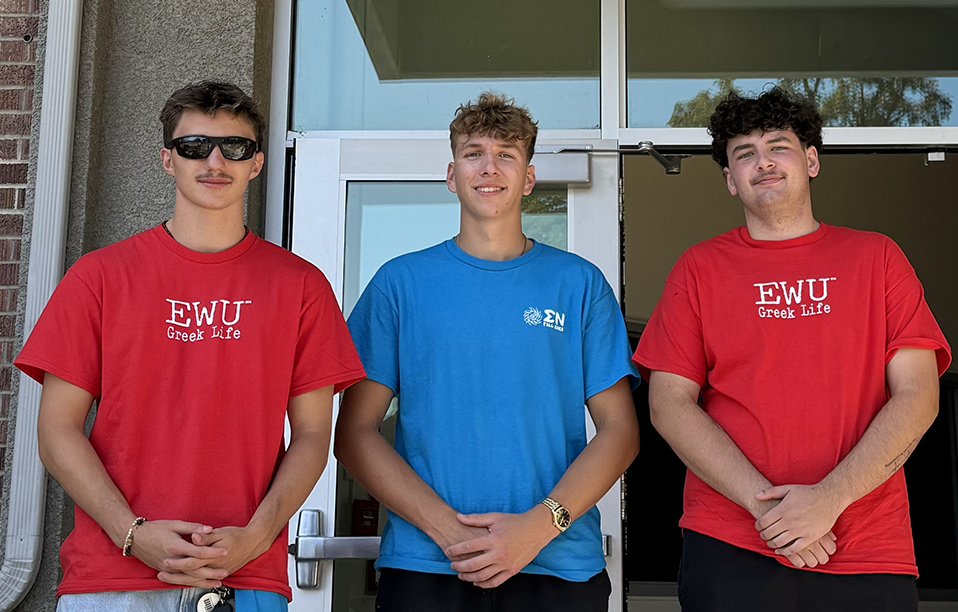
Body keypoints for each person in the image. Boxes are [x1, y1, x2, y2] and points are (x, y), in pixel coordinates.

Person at [15, 80, 365, 611]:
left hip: (243, 578)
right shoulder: (100, 277)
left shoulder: (300, 286)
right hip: (113, 578)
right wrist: (131, 533)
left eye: (236, 147)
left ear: (258, 163)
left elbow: (314, 434)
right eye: (194, 146)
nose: (215, 160)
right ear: (167, 160)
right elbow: (57, 429)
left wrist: (256, 535)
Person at [632, 87, 951, 612]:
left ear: (811, 160)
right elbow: (668, 403)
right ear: (731, 181)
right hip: (733, 544)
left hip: (865, 547)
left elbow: (919, 395)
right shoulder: (698, 269)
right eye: (744, 154)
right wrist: (772, 513)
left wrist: (829, 499)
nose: (763, 163)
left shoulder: (877, 258)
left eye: (778, 146)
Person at [335, 92, 639, 612]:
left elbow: (620, 432)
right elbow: (354, 433)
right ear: (452, 175)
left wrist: (538, 528)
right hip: (427, 565)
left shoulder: (579, 284)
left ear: (528, 177)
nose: (489, 167)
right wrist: (447, 530)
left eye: (507, 154)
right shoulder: (399, 284)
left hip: (556, 563)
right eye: (474, 152)